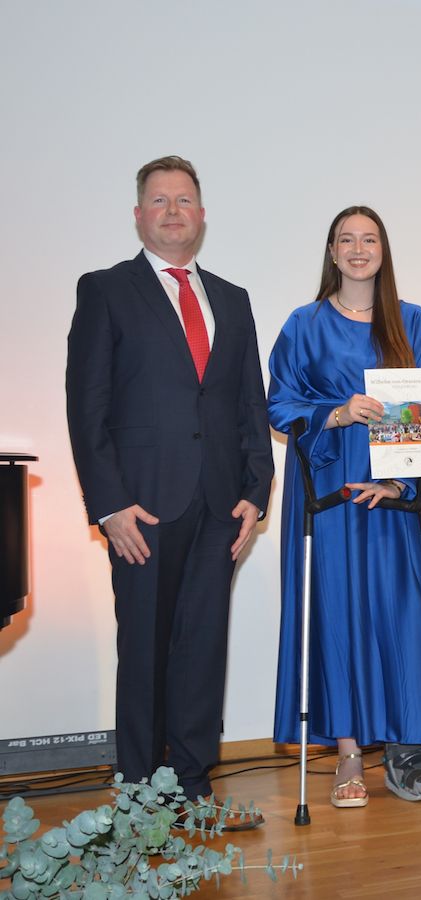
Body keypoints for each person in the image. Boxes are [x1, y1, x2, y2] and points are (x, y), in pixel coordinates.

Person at [65, 156, 272, 813]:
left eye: (184, 200)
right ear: (139, 215)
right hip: (141, 508)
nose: (173, 210)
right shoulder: (105, 290)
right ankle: (139, 790)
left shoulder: (232, 299)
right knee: (145, 649)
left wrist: (257, 491)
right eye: (159, 200)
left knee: (202, 647)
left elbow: (250, 404)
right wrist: (108, 505)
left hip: (220, 504)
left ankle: (191, 778)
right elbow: (87, 408)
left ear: (202, 215)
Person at [268, 206, 421, 807]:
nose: (357, 249)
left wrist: (401, 486)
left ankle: (406, 746)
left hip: (391, 492)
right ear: (331, 251)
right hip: (329, 487)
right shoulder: (304, 323)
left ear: (383, 250)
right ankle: (348, 752)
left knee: (400, 611)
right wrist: (337, 413)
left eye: (368, 239)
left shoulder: (412, 319)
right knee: (337, 611)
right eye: (346, 240)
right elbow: (278, 405)